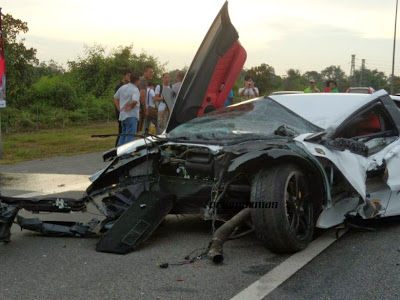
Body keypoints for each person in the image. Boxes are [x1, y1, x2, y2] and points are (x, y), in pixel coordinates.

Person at [114, 73, 140, 146]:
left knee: (123, 134)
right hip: (131, 115)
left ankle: (119, 150)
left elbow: (115, 97)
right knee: (130, 136)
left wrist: (119, 108)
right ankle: (127, 153)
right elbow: (135, 100)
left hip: (123, 115)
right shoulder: (135, 89)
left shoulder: (123, 87)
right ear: (137, 81)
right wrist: (131, 106)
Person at [114, 70, 132, 146]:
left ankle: (123, 146)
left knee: (126, 131)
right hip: (121, 111)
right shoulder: (119, 86)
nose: (129, 77)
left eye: (130, 76)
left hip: (127, 111)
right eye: (128, 75)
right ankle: (117, 147)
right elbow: (116, 99)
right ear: (124, 76)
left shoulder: (129, 86)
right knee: (122, 131)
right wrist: (120, 110)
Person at [138, 65, 154, 132]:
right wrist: (145, 109)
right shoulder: (143, 80)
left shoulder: (142, 80)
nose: (151, 74)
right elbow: (142, 96)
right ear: (145, 72)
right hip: (138, 109)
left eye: (152, 72)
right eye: (150, 72)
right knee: (137, 130)